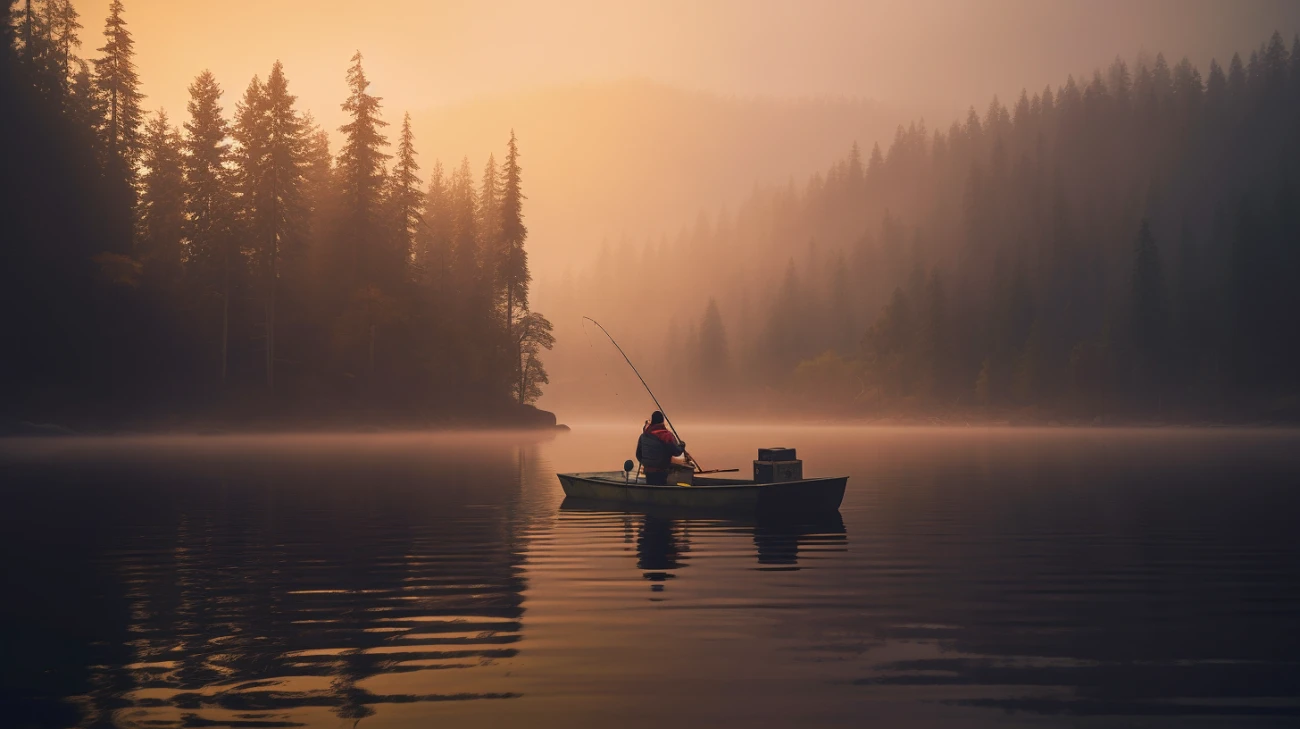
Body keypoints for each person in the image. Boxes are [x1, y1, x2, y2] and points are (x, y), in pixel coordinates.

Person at [635, 411, 686, 485]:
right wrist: (682, 446)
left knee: (651, 489)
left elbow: (638, 455)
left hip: (648, 471)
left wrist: (646, 464)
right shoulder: (667, 436)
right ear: (662, 421)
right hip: (662, 471)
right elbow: (676, 452)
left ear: (652, 421)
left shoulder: (643, 436)